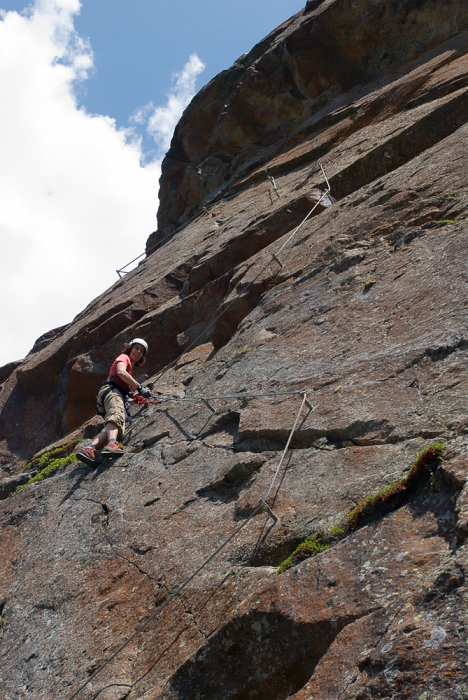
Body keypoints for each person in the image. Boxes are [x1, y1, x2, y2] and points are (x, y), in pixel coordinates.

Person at [76, 338, 151, 466]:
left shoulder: (131, 374)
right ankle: (111, 445)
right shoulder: (124, 357)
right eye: (136, 348)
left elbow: (127, 392)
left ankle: (89, 449)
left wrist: (137, 397)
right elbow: (121, 372)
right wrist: (139, 387)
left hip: (115, 395)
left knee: (117, 431)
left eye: (141, 351)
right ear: (130, 348)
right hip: (111, 391)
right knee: (115, 416)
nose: (138, 352)